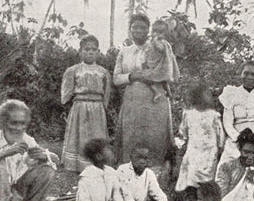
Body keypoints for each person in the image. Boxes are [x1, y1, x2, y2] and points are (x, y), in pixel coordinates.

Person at [113, 14, 176, 174]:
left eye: (142, 27)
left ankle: (157, 173)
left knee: (155, 136)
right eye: (135, 27)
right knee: (131, 135)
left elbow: (169, 70)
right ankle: (129, 171)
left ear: (149, 30)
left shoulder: (157, 47)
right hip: (133, 98)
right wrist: (131, 76)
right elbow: (116, 79)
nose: (138, 31)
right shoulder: (124, 52)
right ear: (130, 30)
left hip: (155, 100)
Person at [60, 35, 111, 175]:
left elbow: (106, 93)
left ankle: (97, 163)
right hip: (80, 106)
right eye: (87, 49)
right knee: (80, 134)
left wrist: (103, 108)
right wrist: (67, 105)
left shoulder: (103, 72)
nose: (90, 52)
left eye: (94, 49)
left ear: (98, 52)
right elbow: (67, 92)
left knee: (96, 135)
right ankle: (77, 164)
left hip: (97, 107)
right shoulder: (73, 70)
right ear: (80, 51)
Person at [175, 83, 225, 201]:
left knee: (206, 182)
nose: (207, 98)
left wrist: (220, 149)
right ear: (196, 97)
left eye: (209, 96)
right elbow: (183, 132)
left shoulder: (214, 116)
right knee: (191, 181)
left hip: (209, 154)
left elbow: (220, 135)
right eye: (204, 95)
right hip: (193, 153)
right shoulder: (188, 114)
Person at [143, 19, 181, 103]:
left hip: (159, 67)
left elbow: (161, 49)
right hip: (158, 65)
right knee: (164, 82)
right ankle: (169, 93)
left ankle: (156, 93)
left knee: (147, 78)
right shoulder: (154, 42)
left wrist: (155, 42)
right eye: (155, 32)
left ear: (164, 34)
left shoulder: (163, 43)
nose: (156, 34)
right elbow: (149, 52)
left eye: (160, 33)